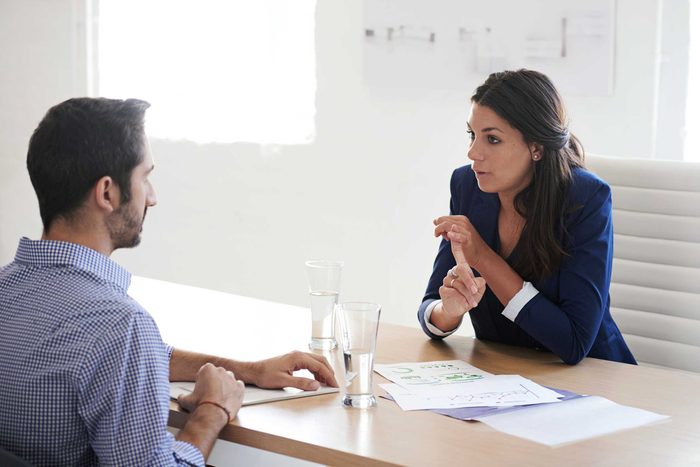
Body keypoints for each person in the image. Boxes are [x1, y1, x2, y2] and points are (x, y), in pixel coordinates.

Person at [0, 97, 338, 466]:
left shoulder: (9, 290)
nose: (153, 197)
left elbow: (120, 360)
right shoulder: (119, 325)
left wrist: (250, 371)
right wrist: (212, 410)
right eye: (145, 177)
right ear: (108, 192)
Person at [418, 69, 636, 366]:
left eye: (492, 139)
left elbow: (573, 343)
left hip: (591, 381)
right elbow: (431, 305)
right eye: (472, 135)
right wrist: (450, 310)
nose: (472, 152)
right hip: (503, 379)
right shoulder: (467, 186)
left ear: (536, 147)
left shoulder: (585, 199)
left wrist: (482, 256)